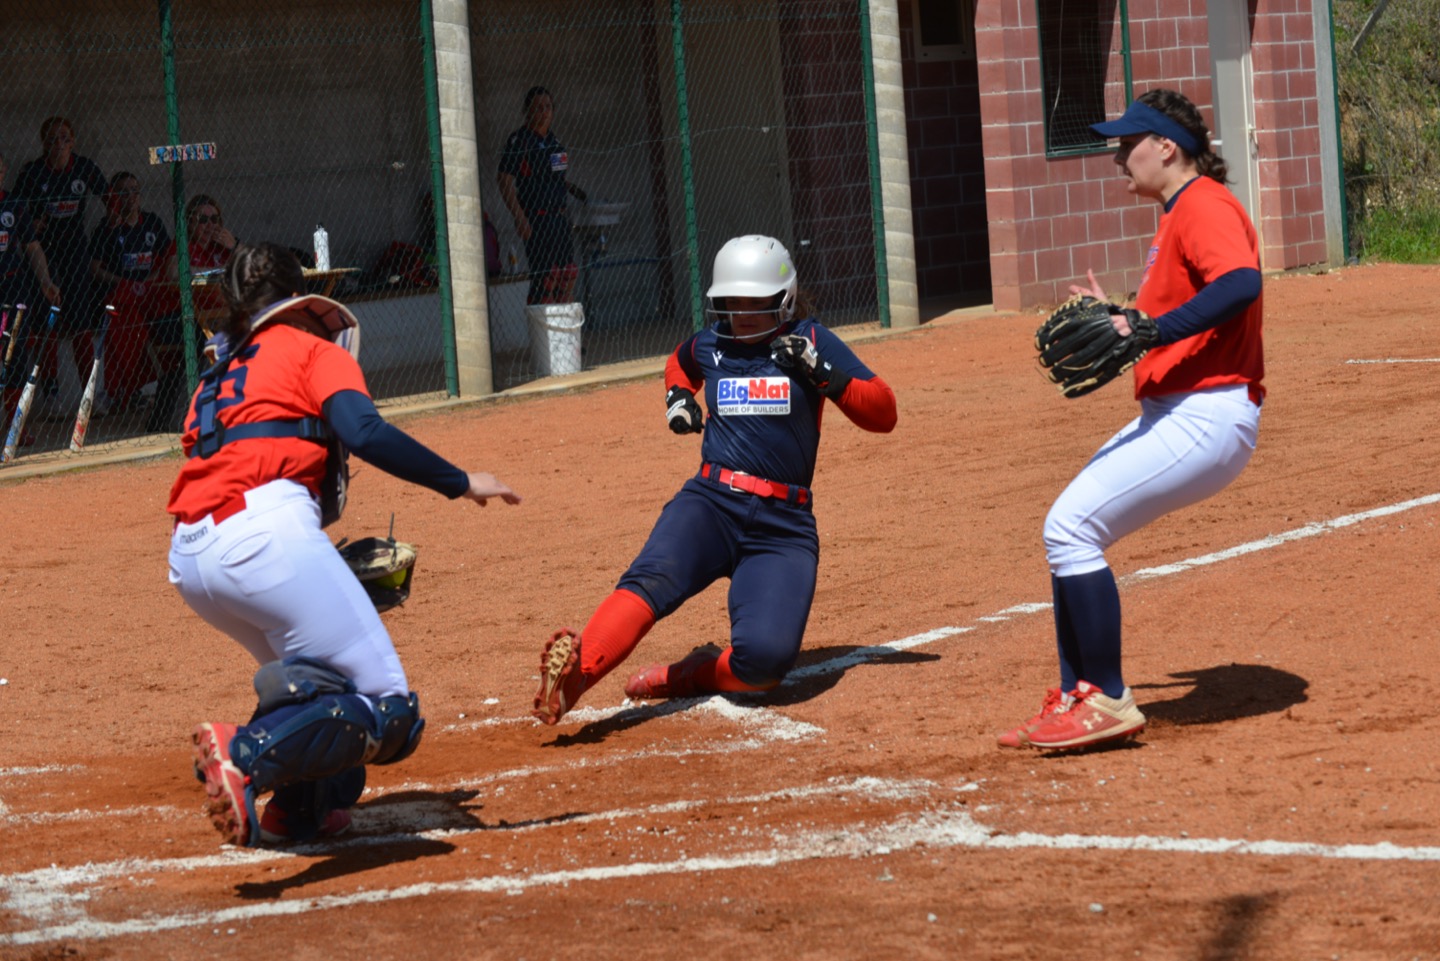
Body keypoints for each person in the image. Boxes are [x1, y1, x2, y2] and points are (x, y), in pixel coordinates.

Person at [171, 242, 521, 847]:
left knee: (320, 684)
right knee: (390, 710)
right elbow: (363, 432)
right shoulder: (310, 347)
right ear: (297, 297)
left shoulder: (218, 371)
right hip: (265, 536)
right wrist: (462, 481)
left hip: (192, 554)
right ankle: (243, 753)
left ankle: (298, 811)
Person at [531, 235, 897, 726]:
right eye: (731, 302)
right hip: (709, 505)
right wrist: (678, 397)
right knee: (647, 583)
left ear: (784, 298)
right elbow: (680, 363)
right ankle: (576, 678)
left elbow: (884, 412)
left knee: (764, 664)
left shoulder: (810, 340)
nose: (741, 314)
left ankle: (691, 673)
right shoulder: (712, 343)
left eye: (755, 302)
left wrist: (822, 371)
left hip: (782, 526)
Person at [998, 88, 1265, 752]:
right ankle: (1080, 695)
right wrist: (1128, 315)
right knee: (1066, 528)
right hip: (1183, 408)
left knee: (1070, 528)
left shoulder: (1202, 204)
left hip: (1206, 411)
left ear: (1166, 147)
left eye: (1128, 143)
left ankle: (1107, 699)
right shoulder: (1179, 214)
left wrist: (1150, 328)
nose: (1119, 156)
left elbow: (1240, 283)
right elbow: (1171, 314)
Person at [10, 117, 108, 413]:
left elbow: (110, 196)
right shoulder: (33, 172)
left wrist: (115, 216)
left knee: (80, 320)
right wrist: (31, 223)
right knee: (46, 319)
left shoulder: (84, 167)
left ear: (73, 141)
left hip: (75, 249)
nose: (59, 144)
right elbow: (16, 208)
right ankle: (52, 395)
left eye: (65, 138)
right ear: (44, 144)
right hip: (45, 251)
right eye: (52, 139)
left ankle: (89, 396)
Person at [146, 194, 239, 431]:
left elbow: (252, 268)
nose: (209, 225)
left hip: (211, 318)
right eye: (203, 220)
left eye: (214, 219)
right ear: (190, 223)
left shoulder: (222, 248)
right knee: (212, 338)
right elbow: (175, 272)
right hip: (173, 319)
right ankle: (194, 413)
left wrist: (236, 247)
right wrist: (216, 271)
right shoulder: (181, 244)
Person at [497, 85, 588, 305]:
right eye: (538, 107)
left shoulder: (555, 143)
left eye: (548, 107)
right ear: (527, 111)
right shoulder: (519, 141)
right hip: (537, 220)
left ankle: (564, 324)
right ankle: (540, 325)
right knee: (547, 279)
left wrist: (571, 189)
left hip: (559, 219)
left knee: (567, 274)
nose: (544, 112)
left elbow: (555, 178)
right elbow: (504, 180)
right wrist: (520, 217)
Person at [88, 171, 171, 413]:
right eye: (123, 192)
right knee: (124, 318)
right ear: (113, 197)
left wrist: (149, 281)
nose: (131, 196)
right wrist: (124, 283)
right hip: (121, 294)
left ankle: (149, 386)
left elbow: (169, 259)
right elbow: (95, 268)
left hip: (151, 291)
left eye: (135, 190)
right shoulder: (106, 229)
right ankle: (134, 389)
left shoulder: (152, 222)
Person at [0, 149, 63, 445]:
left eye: (0, 170)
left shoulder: (14, 204)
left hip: (12, 289)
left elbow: (33, 247)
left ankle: (15, 425)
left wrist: (46, 281)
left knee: (15, 355)